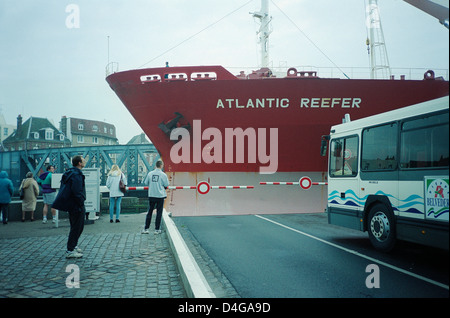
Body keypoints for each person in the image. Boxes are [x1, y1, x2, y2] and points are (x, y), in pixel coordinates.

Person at [52, 155, 86, 258]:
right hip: (77, 204)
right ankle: (70, 250)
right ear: (79, 163)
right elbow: (77, 191)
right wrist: (81, 201)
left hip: (71, 203)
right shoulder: (76, 175)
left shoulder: (69, 173)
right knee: (77, 227)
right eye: (83, 160)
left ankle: (73, 245)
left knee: (75, 226)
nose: (85, 161)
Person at [141, 159, 169, 234]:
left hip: (151, 195)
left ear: (155, 166)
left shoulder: (150, 174)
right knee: (159, 213)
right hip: (160, 196)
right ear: (161, 166)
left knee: (149, 212)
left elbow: (146, 182)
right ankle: (157, 229)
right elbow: (166, 185)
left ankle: (146, 229)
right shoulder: (163, 175)